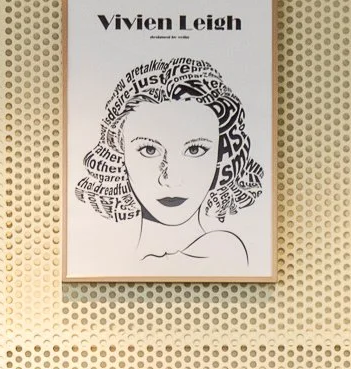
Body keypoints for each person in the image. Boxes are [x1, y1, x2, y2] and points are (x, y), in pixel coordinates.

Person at [73, 56, 262, 269]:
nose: (171, 179)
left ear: (222, 157)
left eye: (194, 150)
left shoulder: (225, 251)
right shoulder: (102, 260)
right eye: (149, 150)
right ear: (119, 153)